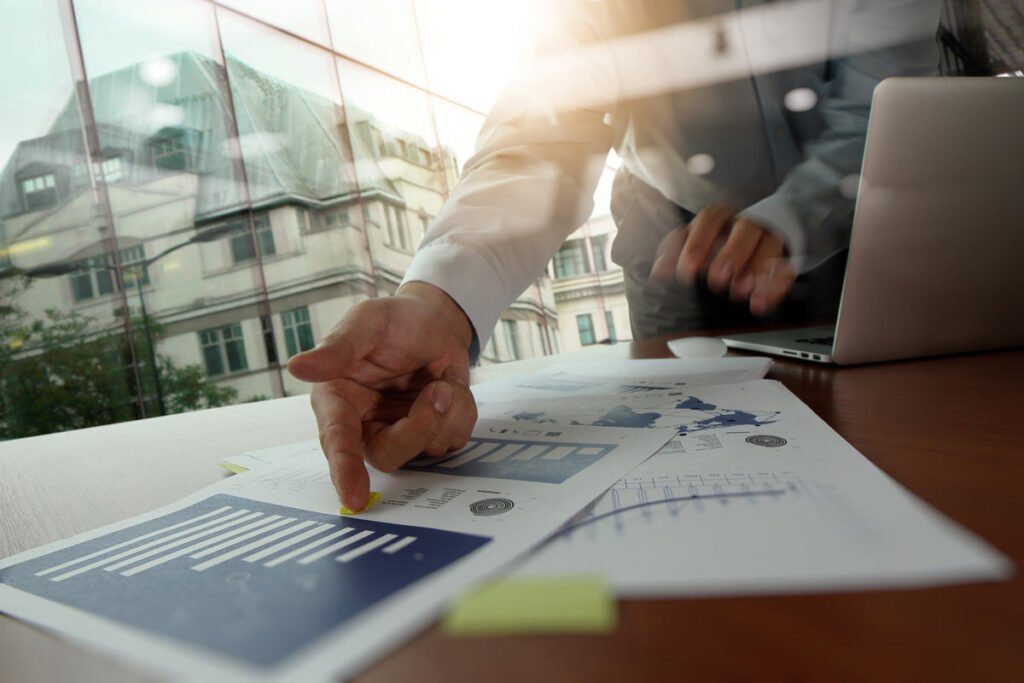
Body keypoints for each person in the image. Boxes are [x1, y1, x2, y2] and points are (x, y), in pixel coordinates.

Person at [287, 0, 941, 510]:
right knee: (689, 441)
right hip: (668, 222)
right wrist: (438, 302)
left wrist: (789, 217)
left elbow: (882, 106)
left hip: (859, 209)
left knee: (884, 429)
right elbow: (543, 129)